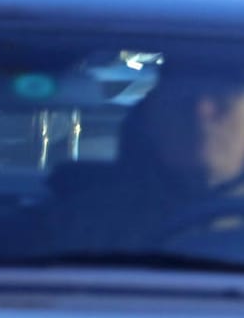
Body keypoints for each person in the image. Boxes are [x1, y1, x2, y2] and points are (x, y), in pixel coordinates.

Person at [41, 60, 244, 254]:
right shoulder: (78, 224)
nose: (201, 113)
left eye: (222, 100)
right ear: (150, 122)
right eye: (183, 102)